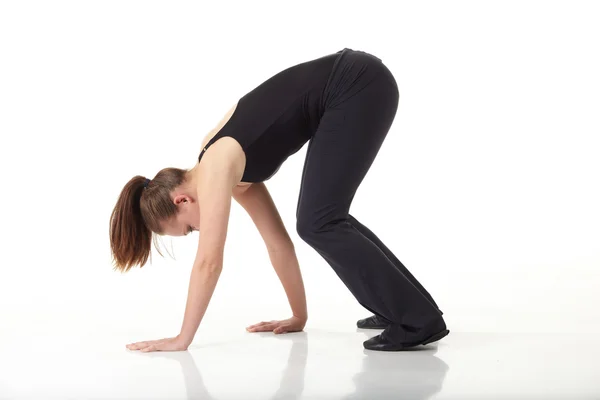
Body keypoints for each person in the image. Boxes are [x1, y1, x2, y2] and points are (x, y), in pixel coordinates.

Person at [110, 48, 449, 353]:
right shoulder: (230, 174)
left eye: (188, 229)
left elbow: (208, 263)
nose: (199, 230)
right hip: (355, 84)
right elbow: (278, 245)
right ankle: (402, 309)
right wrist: (298, 316)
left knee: (320, 220)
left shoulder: (215, 166)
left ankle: (416, 320)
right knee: (322, 220)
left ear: (181, 200)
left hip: (356, 84)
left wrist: (182, 338)